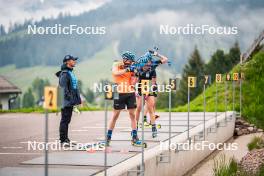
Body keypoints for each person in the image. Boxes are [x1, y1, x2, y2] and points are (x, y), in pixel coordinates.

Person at [106, 51, 144, 147]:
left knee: (132, 115)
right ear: (125, 59)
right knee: (115, 116)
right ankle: (108, 138)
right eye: (130, 61)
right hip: (118, 92)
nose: (131, 62)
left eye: (132, 61)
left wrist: (136, 74)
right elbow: (115, 72)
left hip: (130, 92)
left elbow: (132, 83)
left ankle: (135, 138)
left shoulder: (131, 67)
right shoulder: (117, 64)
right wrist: (127, 70)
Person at [135, 50, 168, 138]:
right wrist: (136, 90)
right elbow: (135, 81)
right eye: (146, 64)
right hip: (140, 86)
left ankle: (154, 128)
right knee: (138, 107)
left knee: (151, 107)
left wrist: (157, 54)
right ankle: (135, 127)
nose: (148, 65)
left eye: (149, 62)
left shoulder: (153, 65)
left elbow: (165, 59)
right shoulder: (138, 67)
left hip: (150, 86)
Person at [55, 55, 81, 145]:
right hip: (65, 100)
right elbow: (63, 87)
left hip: (69, 101)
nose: (74, 61)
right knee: (65, 120)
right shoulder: (65, 73)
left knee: (67, 120)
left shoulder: (69, 72)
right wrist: (70, 98)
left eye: (74, 60)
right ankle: (63, 140)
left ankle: (66, 139)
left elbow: (73, 87)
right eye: (72, 60)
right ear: (67, 62)